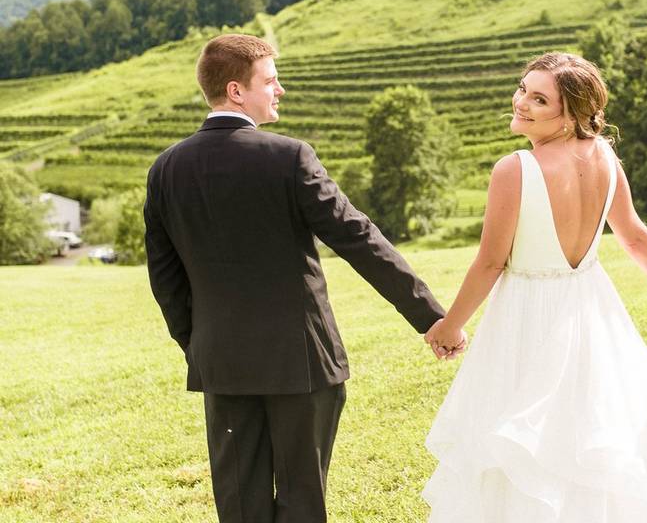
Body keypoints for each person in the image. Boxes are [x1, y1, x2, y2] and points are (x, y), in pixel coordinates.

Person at [144, 33, 465, 523]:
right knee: (302, 501)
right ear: (236, 91)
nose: (281, 89)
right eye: (270, 80)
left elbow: (165, 278)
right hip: (303, 362)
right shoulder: (289, 157)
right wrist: (431, 317)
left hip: (222, 362)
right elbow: (360, 240)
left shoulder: (165, 169)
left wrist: (200, 343)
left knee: (239, 505)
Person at [422, 52, 647, 521]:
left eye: (539, 99)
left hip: (528, 317)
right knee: (595, 436)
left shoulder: (515, 169)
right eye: (523, 88)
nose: (521, 102)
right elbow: (633, 235)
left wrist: (451, 325)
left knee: (525, 446)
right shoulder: (604, 155)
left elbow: (490, 262)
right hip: (591, 310)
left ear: (570, 116)